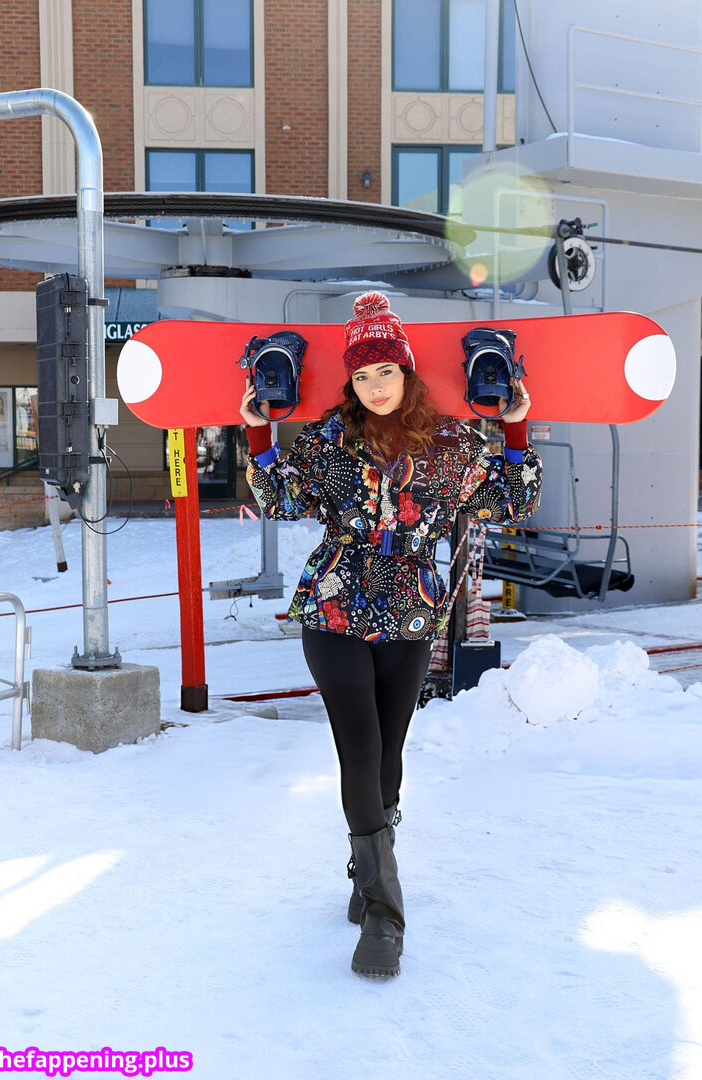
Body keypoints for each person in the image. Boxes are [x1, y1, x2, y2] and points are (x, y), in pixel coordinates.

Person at [240, 292, 542, 978]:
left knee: (389, 755)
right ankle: (384, 914)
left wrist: (516, 428)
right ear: (349, 381)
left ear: (406, 373)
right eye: (362, 375)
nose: (375, 387)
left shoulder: (451, 443)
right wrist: (257, 434)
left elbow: (512, 500)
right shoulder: (328, 440)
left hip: (410, 608)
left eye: (386, 372)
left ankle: (365, 867)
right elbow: (281, 500)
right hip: (335, 604)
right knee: (360, 747)